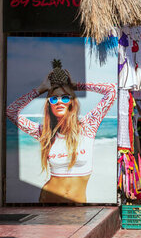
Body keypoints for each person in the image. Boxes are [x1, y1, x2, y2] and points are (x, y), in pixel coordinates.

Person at [7, 66, 117, 203]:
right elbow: (11, 111)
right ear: (49, 105)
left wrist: (76, 86)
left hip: (78, 205)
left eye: (65, 98)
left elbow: (112, 90)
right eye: (54, 99)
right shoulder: (45, 133)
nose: (59, 101)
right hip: (48, 201)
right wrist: (40, 90)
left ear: (71, 102)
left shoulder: (87, 126)